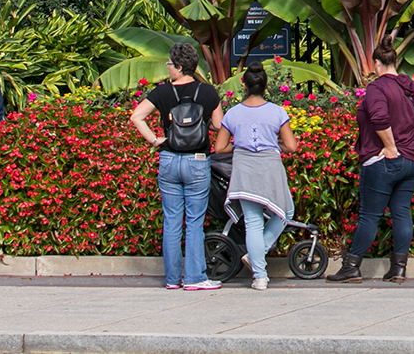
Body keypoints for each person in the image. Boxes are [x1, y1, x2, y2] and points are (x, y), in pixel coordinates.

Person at [326, 41, 414, 284]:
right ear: (396, 62)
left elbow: (379, 118)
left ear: (377, 64)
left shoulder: (377, 88)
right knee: (402, 211)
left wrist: (391, 146)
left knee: (369, 216)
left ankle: (352, 267)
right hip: (413, 159)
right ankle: (398, 269)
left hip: (384, 160)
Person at [128, 44, 224, 290]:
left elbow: (136, 117)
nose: (168, 68)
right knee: (194, 221)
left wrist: (154, 140)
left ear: (180, 67)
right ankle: (194, 278)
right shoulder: (207, 92)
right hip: (197, 161)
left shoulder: (161, 93)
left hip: (169, 159)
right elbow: (218, 125)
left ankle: (172, 279)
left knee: (171, 220)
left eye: (170, 65)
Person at [215, 64, 302, 291]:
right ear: (266, 85)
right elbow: (292, 146)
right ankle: (259, 252)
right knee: (286, 211)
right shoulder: (277, 112)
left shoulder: (233, 113)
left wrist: (239, 146)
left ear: (243, 85)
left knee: (252, 221)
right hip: (270, 167)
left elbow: (219, 147)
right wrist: (275, 143)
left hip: (244, 168)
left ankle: (260, 276)